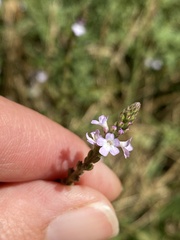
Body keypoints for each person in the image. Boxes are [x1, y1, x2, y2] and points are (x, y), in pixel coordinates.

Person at [0, 96, 122, 240]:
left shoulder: (109, 146)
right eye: (108, 141)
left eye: (110, 142)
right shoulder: (103, 143)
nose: (109, 143)